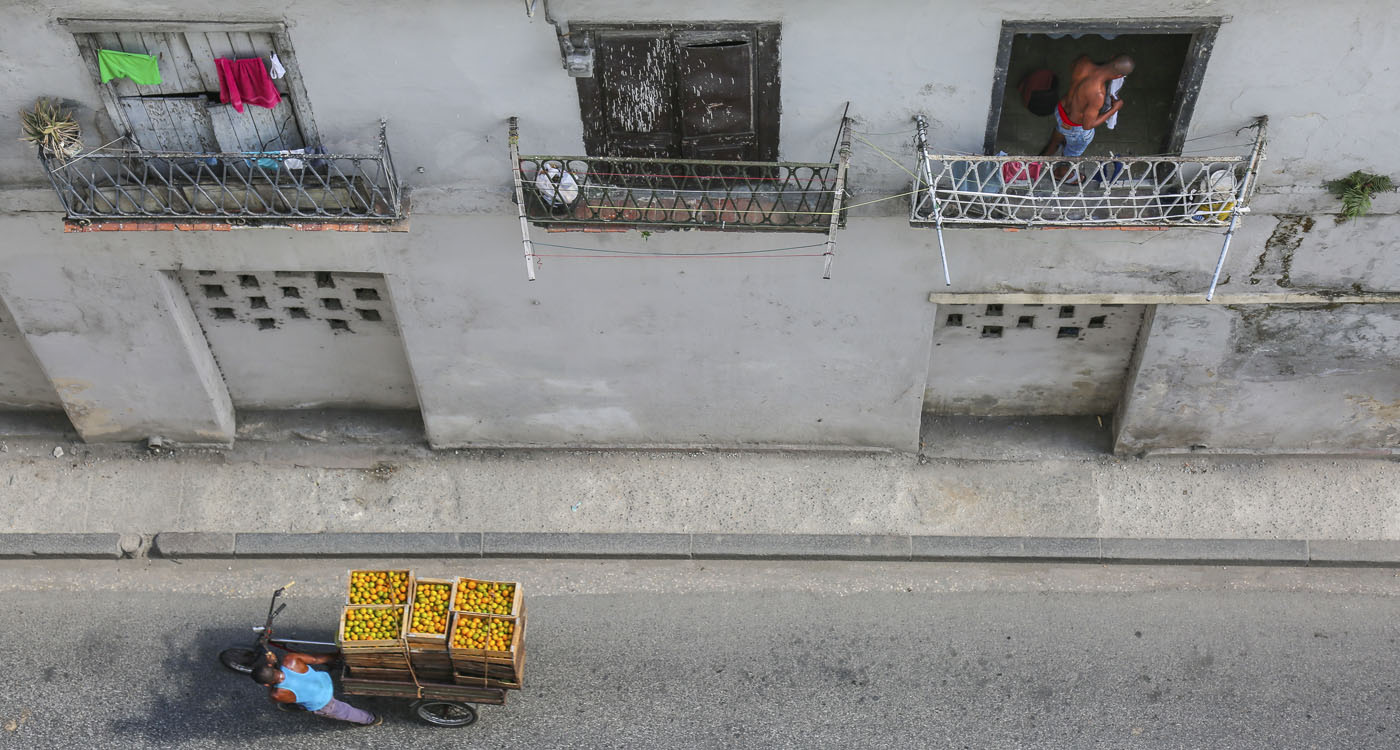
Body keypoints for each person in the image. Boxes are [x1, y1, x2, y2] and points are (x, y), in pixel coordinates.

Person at [1041, 54, 1134, 174]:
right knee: (1071, 155)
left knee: (1060, 132)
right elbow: (1088, 125)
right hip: (1075, 128)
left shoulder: (1083, 61)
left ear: (1111, 57)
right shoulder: (1098, 94)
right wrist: (1114, 109)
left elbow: (1076, 75)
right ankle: (1061, 173)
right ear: (1119, 76)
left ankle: (1045, 155)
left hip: (1061, 111)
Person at [251, 650, 381, 727]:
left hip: (322, 701)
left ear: (266, 684)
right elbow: (315, 659)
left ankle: (371, 719)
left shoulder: (278, 694)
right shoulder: (290, 659)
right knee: (299, 697)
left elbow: (272, 697)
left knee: (343, 711)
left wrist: (270, 687)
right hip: (324, 681)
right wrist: (336, 655)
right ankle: (301, 706)